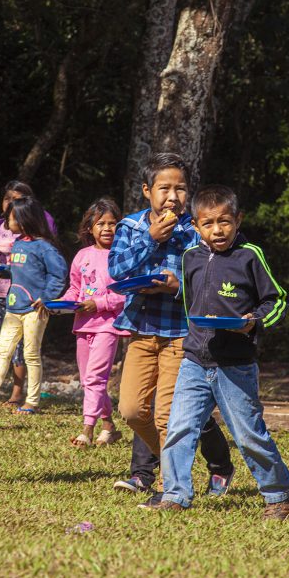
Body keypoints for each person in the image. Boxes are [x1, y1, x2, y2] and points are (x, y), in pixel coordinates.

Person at [145, 185, 289, 520]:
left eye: (225, 222)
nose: (218, 230)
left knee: (248, 435)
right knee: (180, 429)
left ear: (238, 220)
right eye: (208, 223)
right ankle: (175, 494)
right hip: (194, 362)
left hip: (236, 365)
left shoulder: (250, 256)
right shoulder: (190, 257)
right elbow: (190, 300)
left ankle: (280, 493)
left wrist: (252, 322)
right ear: (197, 226)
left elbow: (277, 301)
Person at [109, 152, 234, 496]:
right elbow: (117, 271)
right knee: (132, 410)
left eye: (180, 188)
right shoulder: (132, 227)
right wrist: (152, 238)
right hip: (141, 330)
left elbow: (212, 278)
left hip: (182, 333)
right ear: (147, 191)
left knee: (167, 414)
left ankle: (170, 484)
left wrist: (177, 285)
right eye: (164, 188)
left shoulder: (196, 231)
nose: (173, 196)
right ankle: (178, 460)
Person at [0, 196, 68, 415]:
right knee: (2, 351)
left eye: (11, 217)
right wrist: (1, 270)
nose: (7, 220)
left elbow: (58, 274)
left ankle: (32, 401)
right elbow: (21, 272)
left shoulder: (44, 247)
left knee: (31, 354)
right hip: (13, 308)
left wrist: (46, 297)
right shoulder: (18, 243)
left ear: (23, 219)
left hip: (34, 311)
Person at [61, 197, 127, 447]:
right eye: (101, 223)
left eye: (113, 223)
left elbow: (126, 295)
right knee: (89, 378)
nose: (108, 228)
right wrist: (57, 304)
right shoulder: (81, 256)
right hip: (83, 325)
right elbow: (75, 289)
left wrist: (98, 304)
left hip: (108, 326)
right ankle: (109, 426)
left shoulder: (123, 257)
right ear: (90, 228)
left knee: (95, 378)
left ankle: (87, 430)